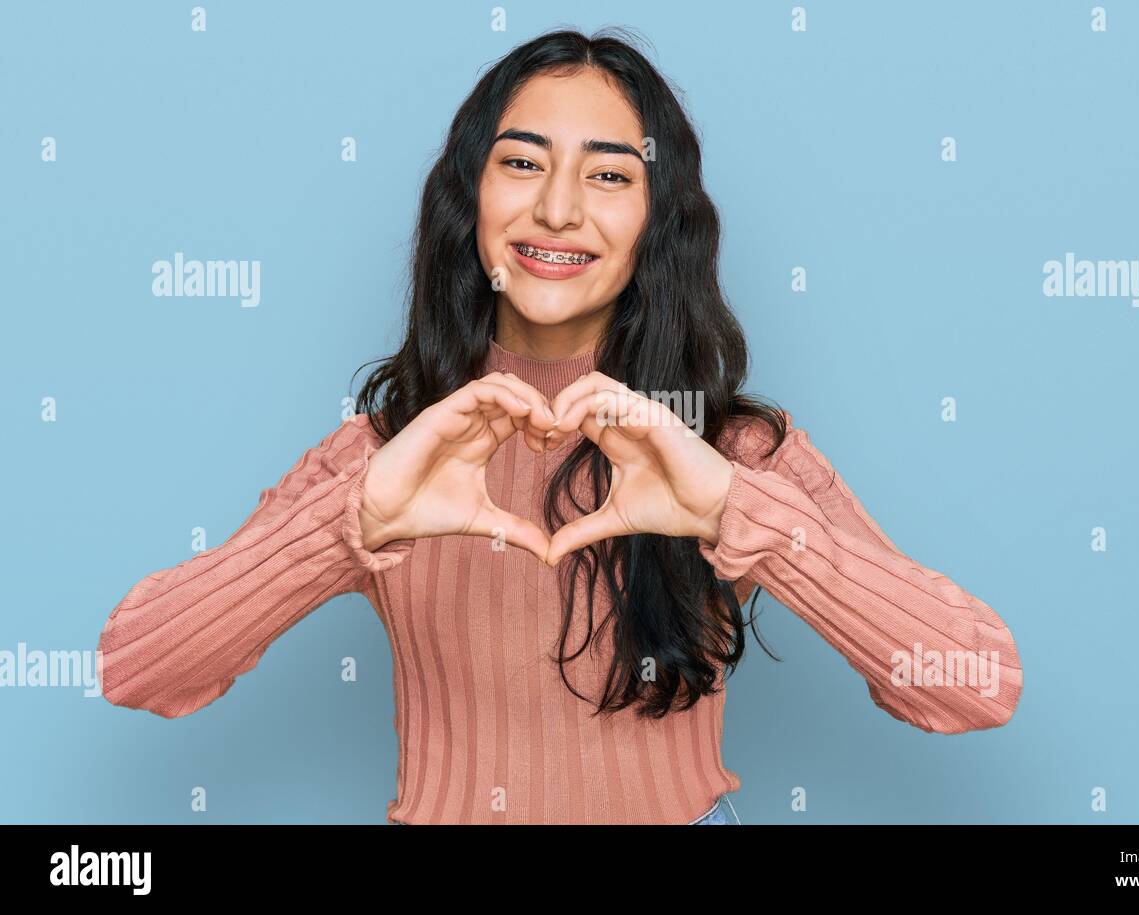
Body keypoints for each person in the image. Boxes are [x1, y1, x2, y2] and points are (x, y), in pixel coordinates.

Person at [96, 27, 1022, 826]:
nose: (558, 209)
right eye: (524, 161)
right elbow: (137, 666)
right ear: (472, 201)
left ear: (657, 221)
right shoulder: (389, 456)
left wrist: (745, 516)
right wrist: (344, 529)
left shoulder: (731, 449)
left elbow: (977, 683)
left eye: (609, 174)